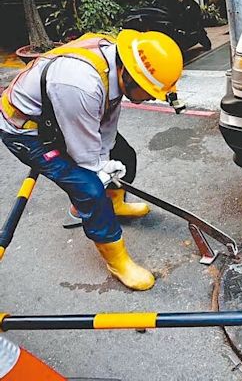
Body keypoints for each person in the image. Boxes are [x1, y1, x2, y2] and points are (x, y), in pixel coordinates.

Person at [0, 29, 183, 291]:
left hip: (61, 116)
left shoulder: (117, 64)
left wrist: (108, 159)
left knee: (124, 156)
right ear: (129, 76)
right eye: (150, 91)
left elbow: (107, 119)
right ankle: (117, 260)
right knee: (87, 187)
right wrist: (99, 172)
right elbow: (83, 154)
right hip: (27, 130)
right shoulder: (80, 84)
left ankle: (114, 205)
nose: (153, 97)